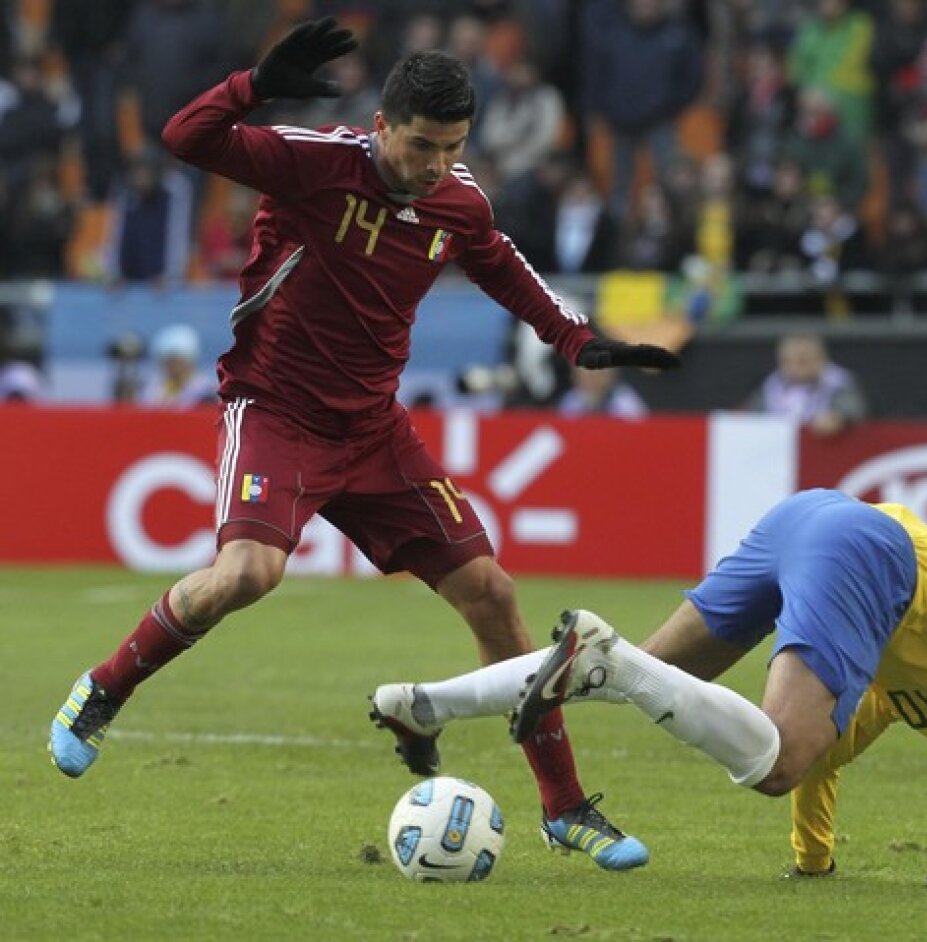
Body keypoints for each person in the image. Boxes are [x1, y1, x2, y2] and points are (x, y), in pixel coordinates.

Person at [47, 18, 682, 872]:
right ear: (383, 126)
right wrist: (253, 83)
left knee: (493, 596)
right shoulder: (314, 160)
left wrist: (577, 341)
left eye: (453, 148)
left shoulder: (458, 199)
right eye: (422, 145)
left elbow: (500, 262)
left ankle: (564, 806)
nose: (436, 166)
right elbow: (185, 137)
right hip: (275, 410)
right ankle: (104, 688)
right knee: (246, 575)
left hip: (375, 431)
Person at [373, 489, 927, 890]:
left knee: (668, 677)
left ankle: (424, 702)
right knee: (771, 762)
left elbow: (826, 756)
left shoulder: (926, 707)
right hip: (873, 555)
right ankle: (614, 661)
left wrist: (813, 862)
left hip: (812, 516)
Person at [746, 333, 867, 435]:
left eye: (802, 361)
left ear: (820, 359)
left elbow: (854, 409)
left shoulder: (838, 382)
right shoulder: (770, 386)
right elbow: (751, 418)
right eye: (787, 361)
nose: (794, 368)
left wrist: (838, 417)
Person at [139, 324, 219, 408]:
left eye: (177, 360)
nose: (173, 365)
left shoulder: (207, 391)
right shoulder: (152, 389)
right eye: (168, 360)